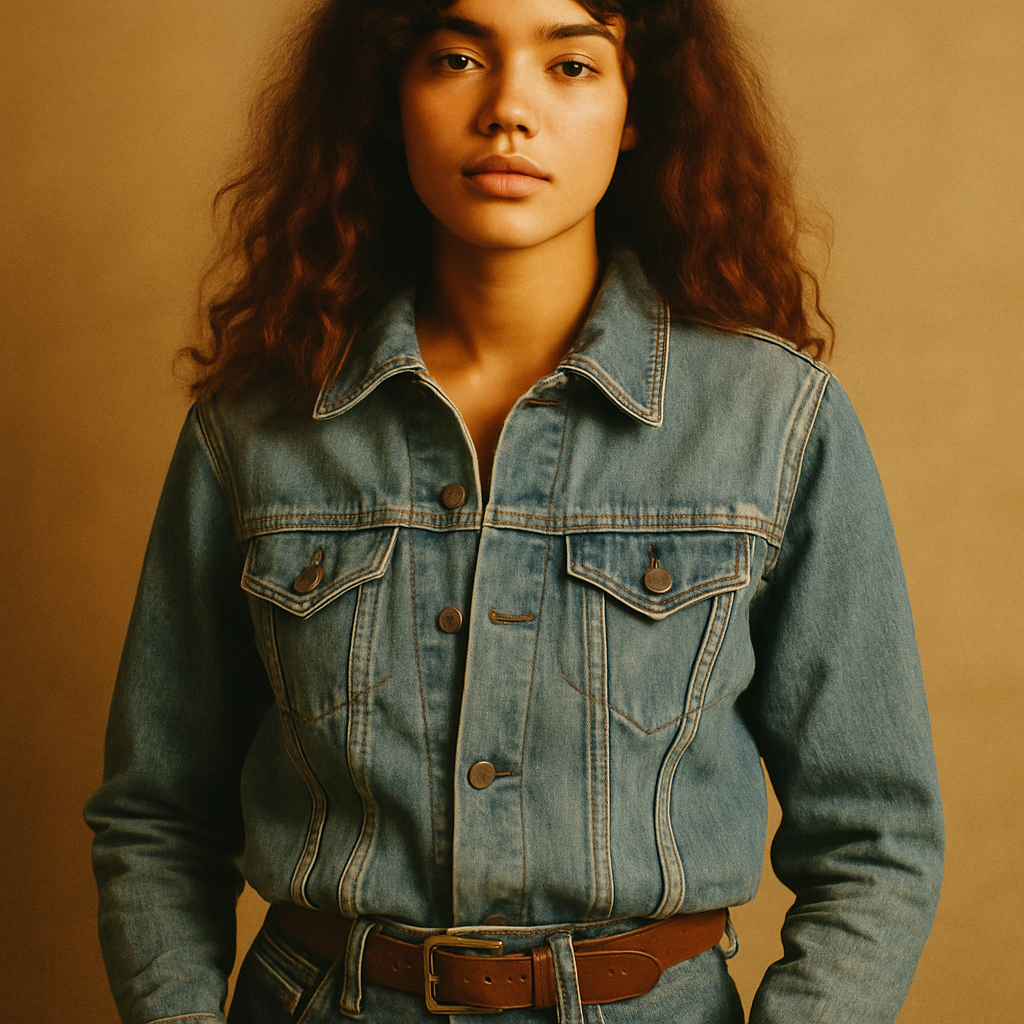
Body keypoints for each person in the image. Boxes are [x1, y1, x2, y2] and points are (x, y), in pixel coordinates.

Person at [85, 1, 944, 1022]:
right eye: (455, 57)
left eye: (572, 65)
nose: (507, 111)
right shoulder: (256, 425)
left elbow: (874, 835)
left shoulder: (775, 421)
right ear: (387, 95)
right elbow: (156, 815)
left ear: (637, 107)